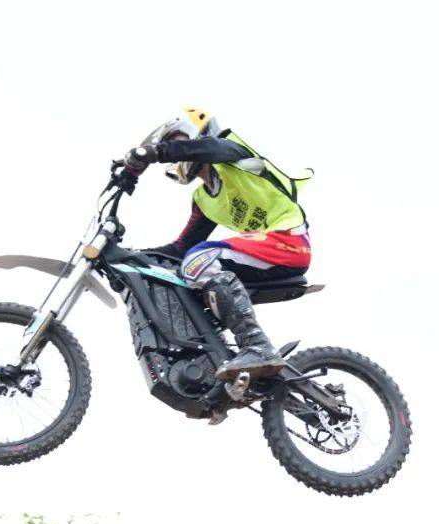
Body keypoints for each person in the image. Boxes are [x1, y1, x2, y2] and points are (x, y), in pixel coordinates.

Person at [122, 108, 312, 382]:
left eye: (178, 141)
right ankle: (215, 356)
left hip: (287, 241)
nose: (177, 152)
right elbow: (180, 249)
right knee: (181, 271)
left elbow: (210, 149)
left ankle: (257, 345)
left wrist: (154, 152)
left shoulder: (232, 154)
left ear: (197, 134)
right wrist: (132, 258)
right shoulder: (204, 198)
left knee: (200, 259)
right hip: (260, 253)